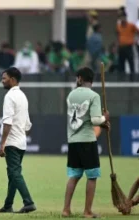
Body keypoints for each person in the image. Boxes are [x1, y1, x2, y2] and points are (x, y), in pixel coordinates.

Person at [62, 67, 110, 218]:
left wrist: (101, 122)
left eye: (77, 78)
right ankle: (87, 211)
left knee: (74, 175)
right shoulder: (94, 96)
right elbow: (95, 119)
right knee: (92, 176)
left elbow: (82, 118)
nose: (76, 80)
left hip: (73, 140)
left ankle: (66, 210)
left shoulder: (71, 95)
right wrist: (105, 118)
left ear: (81, 78)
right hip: (87, 141)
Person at [0, 67, 36, 213]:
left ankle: (28, 202)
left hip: (12, 143)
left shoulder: (9, 96)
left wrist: (2, 144)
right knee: (13, 174)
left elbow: (7, 122)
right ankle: (8, 205)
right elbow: (27, 124)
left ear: (12, 79)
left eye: (4, 78)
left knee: (14, 173)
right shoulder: (22, 96)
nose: (2, 81)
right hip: (21, 142)